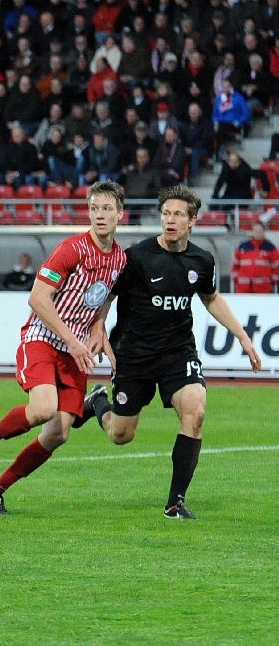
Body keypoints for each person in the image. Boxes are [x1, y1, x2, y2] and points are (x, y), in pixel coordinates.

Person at [79, 186, 263, 519]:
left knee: (195, 410)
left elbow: (210, 298)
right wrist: (98, 327)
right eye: (166, 214)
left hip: (178, 353)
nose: (170, 220)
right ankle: (98, 402)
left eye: (178, 214)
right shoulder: (137, 258)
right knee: (121, 435)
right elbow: (108, 295)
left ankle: (175, 502)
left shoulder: (201, 260)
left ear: (192, 221)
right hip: (134, 353)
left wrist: (243, 337)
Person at [0, 181, 127, 513]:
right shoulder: (72, 249)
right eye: (94, 208)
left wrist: (98, 327)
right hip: (43, 339)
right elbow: (37, 298)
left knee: (58, 434)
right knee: (43, 409)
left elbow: (106, 296)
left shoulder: (120, 259)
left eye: (107, 209)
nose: (99, 215)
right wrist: (73, 340)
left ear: (120, 214)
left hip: (75, 350)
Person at [232, 221, 279, 293]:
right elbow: (235, 265)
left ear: (264, 232)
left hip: (263, 289)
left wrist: (273, 281)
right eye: (256, 231)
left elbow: (276, 267)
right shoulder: (242, 246)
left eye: (260, 231)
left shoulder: (270, 248)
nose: (258, 233)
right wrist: (236, 279)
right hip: (243, 288)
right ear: (252, 232)